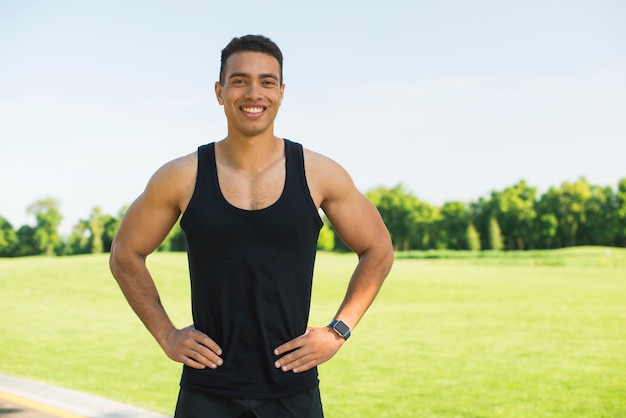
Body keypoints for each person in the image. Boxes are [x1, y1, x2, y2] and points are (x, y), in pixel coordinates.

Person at [109, 34, 393, 418]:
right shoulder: (181, 176)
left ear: (281, 92)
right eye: (240, 80)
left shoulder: (319, 173)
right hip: (207, 390)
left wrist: (337, 330)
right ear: (219, 91)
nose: (254, 93)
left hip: (292, 389)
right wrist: (166, 334)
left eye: (267, 81)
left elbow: (378, 249)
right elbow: (125, 253)